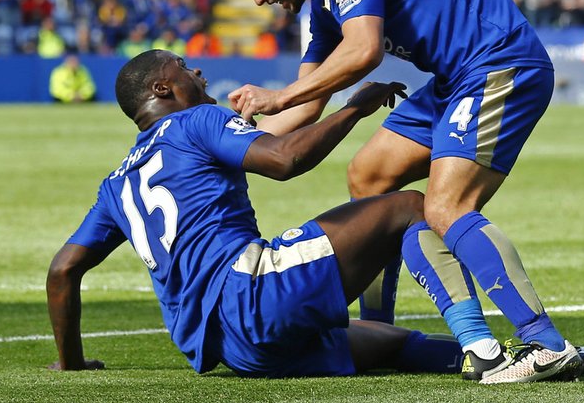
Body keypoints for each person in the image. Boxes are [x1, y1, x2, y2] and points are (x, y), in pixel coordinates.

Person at [221, 0, 583, 383]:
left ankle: (546, 344)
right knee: (368, 176)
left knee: (446, 206)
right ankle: (377, 331)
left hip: (501, 64)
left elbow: (364, 51)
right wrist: (227, 137)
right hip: (454, 81)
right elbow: (305, 107)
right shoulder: (323, 6)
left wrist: (278, 96)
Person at [47, 49, 464, 378]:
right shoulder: (195, 120)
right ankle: (480, 342)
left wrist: (71, 362)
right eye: (185, 68)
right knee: (407, 206)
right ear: (161, 88)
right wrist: (355, 108)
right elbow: (285, 160)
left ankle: (495, 358)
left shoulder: (116, 184)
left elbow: (63, 269)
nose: (199, 74)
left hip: (234, 349)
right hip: (255, 295)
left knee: (395, 343)